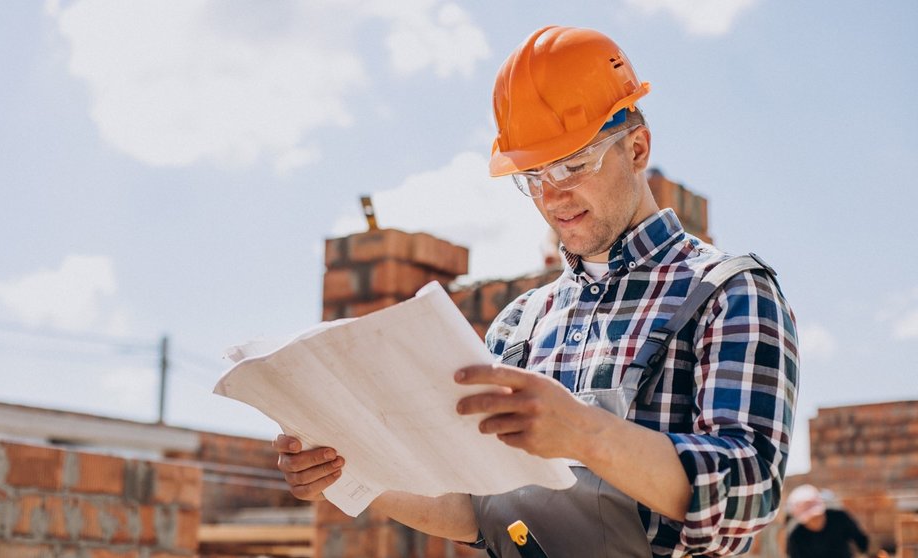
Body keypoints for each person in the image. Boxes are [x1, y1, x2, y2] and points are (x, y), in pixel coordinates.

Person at [274, 25, 799, 557]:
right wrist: (349, 470)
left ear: (637, 149)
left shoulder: (727, 293)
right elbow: (479, 511)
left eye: (574, 164)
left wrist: (582, 433)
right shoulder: (521, 323)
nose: (553, 196)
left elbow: (744, 497)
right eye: (532, 175)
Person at [786, 484, 869, 558]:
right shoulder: (796, 537)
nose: (815, 520)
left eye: (817, 516)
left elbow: (861, 540)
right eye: (810, 519)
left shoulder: (839, 518)